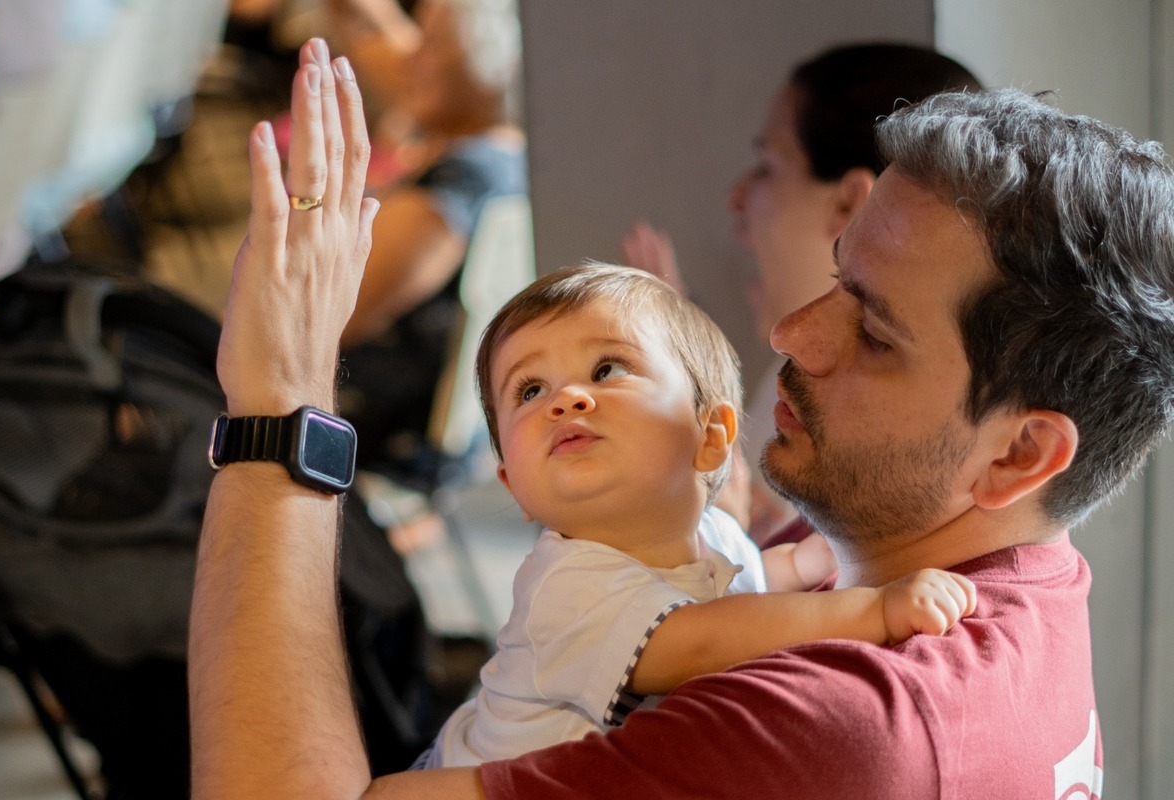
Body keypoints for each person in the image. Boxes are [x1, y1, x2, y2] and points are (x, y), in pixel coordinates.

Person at [189, 39, 1174, 798]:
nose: (793, 332)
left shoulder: (847, 729)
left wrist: (283, 400)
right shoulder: (1032, 584)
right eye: (840, 276)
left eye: (874, 331)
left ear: (1022, 452)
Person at [415, 262, 974, 768]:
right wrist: (874, 609)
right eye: (530, 389)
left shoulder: (715, 532)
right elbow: (703, 640)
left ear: (709, 439)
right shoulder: (563, 588)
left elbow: (748, 584)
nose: (566, 399)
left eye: (606, 369)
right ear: (514, 486)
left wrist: (813, 559)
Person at [625, 44, 982, 544]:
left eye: (767, 167)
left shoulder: (872, 445)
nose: (736, 197)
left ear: (849, 204)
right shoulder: (800, 380)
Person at [329, 0, 528, 486]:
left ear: (485, 67)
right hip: (440, 438)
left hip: (375, 435)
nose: (412, 59)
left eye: (432, 46)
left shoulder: (461, 183)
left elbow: (331, 313)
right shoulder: (509, 163)